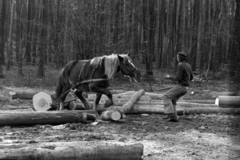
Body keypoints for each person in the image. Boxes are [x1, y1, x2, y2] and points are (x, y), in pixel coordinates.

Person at [163, 52, 193, 122]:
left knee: (166, 96)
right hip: (186, 87)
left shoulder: (180, 65)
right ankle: (173, 117)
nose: (176, 59)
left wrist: (169, 77)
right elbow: (191, 78)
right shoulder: (188, 65)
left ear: (180, 58)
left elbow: (178, 78)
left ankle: (170, 114)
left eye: (177, 57)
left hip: (182, 86)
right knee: (173, 99)